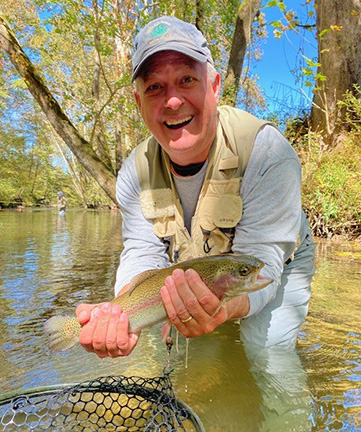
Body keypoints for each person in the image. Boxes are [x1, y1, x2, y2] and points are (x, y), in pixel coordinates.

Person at [76, 16, 315, 359]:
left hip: (280, 259)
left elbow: (265, 264)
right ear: (138, 101)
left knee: (266, 352)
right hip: (200, 266)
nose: (172, 101)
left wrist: (222, 310)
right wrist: (120, 316)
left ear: (215, 86)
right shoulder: (134, 172)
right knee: (174, 350)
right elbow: (142, 254)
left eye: (187, 79)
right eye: (154, 87)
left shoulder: (268, 153)